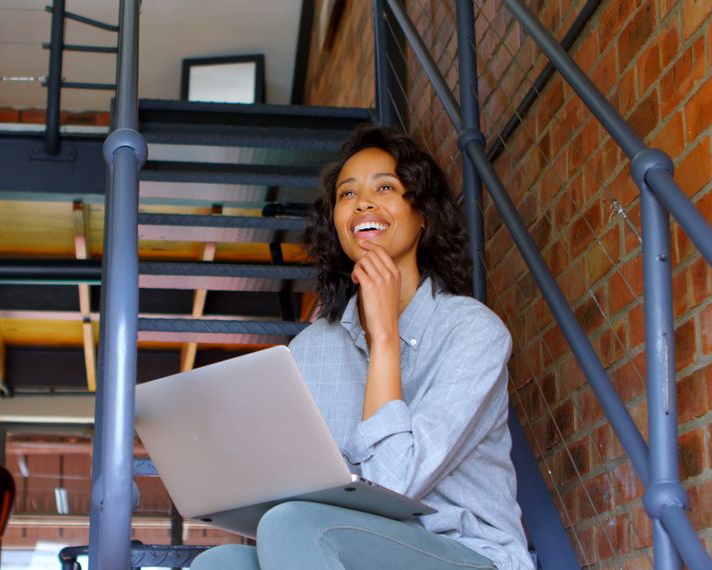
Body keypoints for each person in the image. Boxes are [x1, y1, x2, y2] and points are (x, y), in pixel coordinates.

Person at [191, 126, 532, 569]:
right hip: (343, 544)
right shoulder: (312, 349)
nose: (363, 203)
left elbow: (394, 485)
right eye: (347, 194)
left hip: (466, 554)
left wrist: (384, 335)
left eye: (385, 187)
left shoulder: (473, 333)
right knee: (221, 564)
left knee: (293, 526)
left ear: (423, 213)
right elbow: (298, 491)